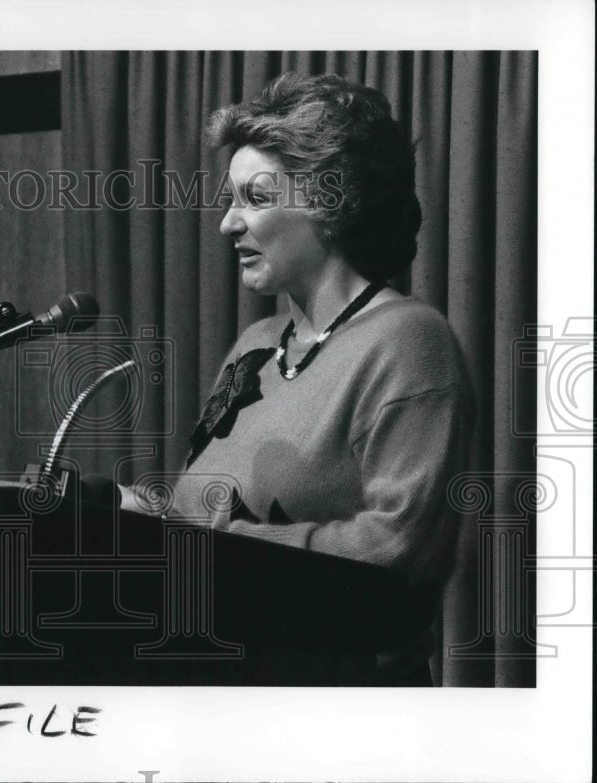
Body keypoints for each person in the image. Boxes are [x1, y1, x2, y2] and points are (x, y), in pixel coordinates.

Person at [122, 73, 475, 684]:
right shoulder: (255, 347)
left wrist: (222, 548)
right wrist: (123, 511)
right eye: (230, 199)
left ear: (330, 202)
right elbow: (202, 515)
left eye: (255, 199)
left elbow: (397, 547)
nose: (228, 224)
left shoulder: (409, 342)